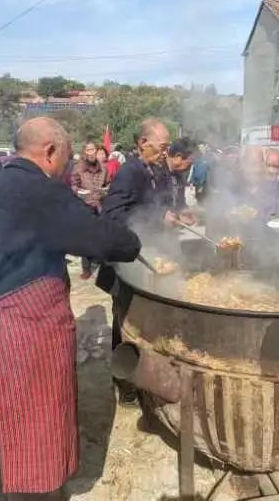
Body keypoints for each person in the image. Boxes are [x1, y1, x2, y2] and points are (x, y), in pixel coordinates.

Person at [0, 117, 141, 500]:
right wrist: (135, 241)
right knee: (33, 423)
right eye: (68, 158)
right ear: (50, 150)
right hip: (18, 331)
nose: (69, 167)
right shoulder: (39, 191)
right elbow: (103, 240)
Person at [101, 119, 174, 405]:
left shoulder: (155, 169)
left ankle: (146, 375)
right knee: (124, 321)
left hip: (150, 253)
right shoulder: (129, 172)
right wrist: (157, 218)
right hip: (128, 260)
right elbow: (113, 214)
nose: (165, 152)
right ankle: (124, 383)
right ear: (143, 143)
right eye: (162, 146)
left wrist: (171, 214)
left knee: (144, 320)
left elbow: (154, 206)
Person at [71, 141, 108, 280]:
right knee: (85, 238)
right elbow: (73, 185)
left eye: (93, 149)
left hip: (99, 206)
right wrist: (79, 192)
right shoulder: (78, 168)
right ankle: (86, 268)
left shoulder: (103, 168)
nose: (91, 152)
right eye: (88, 150)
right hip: (84, 206)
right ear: (85, 152)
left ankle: (98, 263)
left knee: (99, 236)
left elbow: (107, 184)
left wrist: (105, 191)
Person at [165, 137, 197, 217]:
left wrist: (183, 213)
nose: (190, 168)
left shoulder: (179, 176)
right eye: (189, 163)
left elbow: (180, 202)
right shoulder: (157, 174)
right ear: (178, 157)